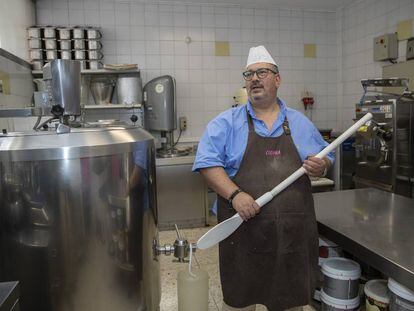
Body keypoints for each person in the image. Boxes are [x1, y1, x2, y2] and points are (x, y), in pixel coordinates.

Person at [192, 46, 334, 311]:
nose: (254, 78)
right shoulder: (226, 123)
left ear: (277, 80)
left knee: (289, 302)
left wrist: (321, 166)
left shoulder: (300, 123)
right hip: (243, 235)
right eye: (249, 74)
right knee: (240, 302)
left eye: (262, 72)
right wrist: (235, 195)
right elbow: (207, 164)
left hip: (290, 236)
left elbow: (324, 159)